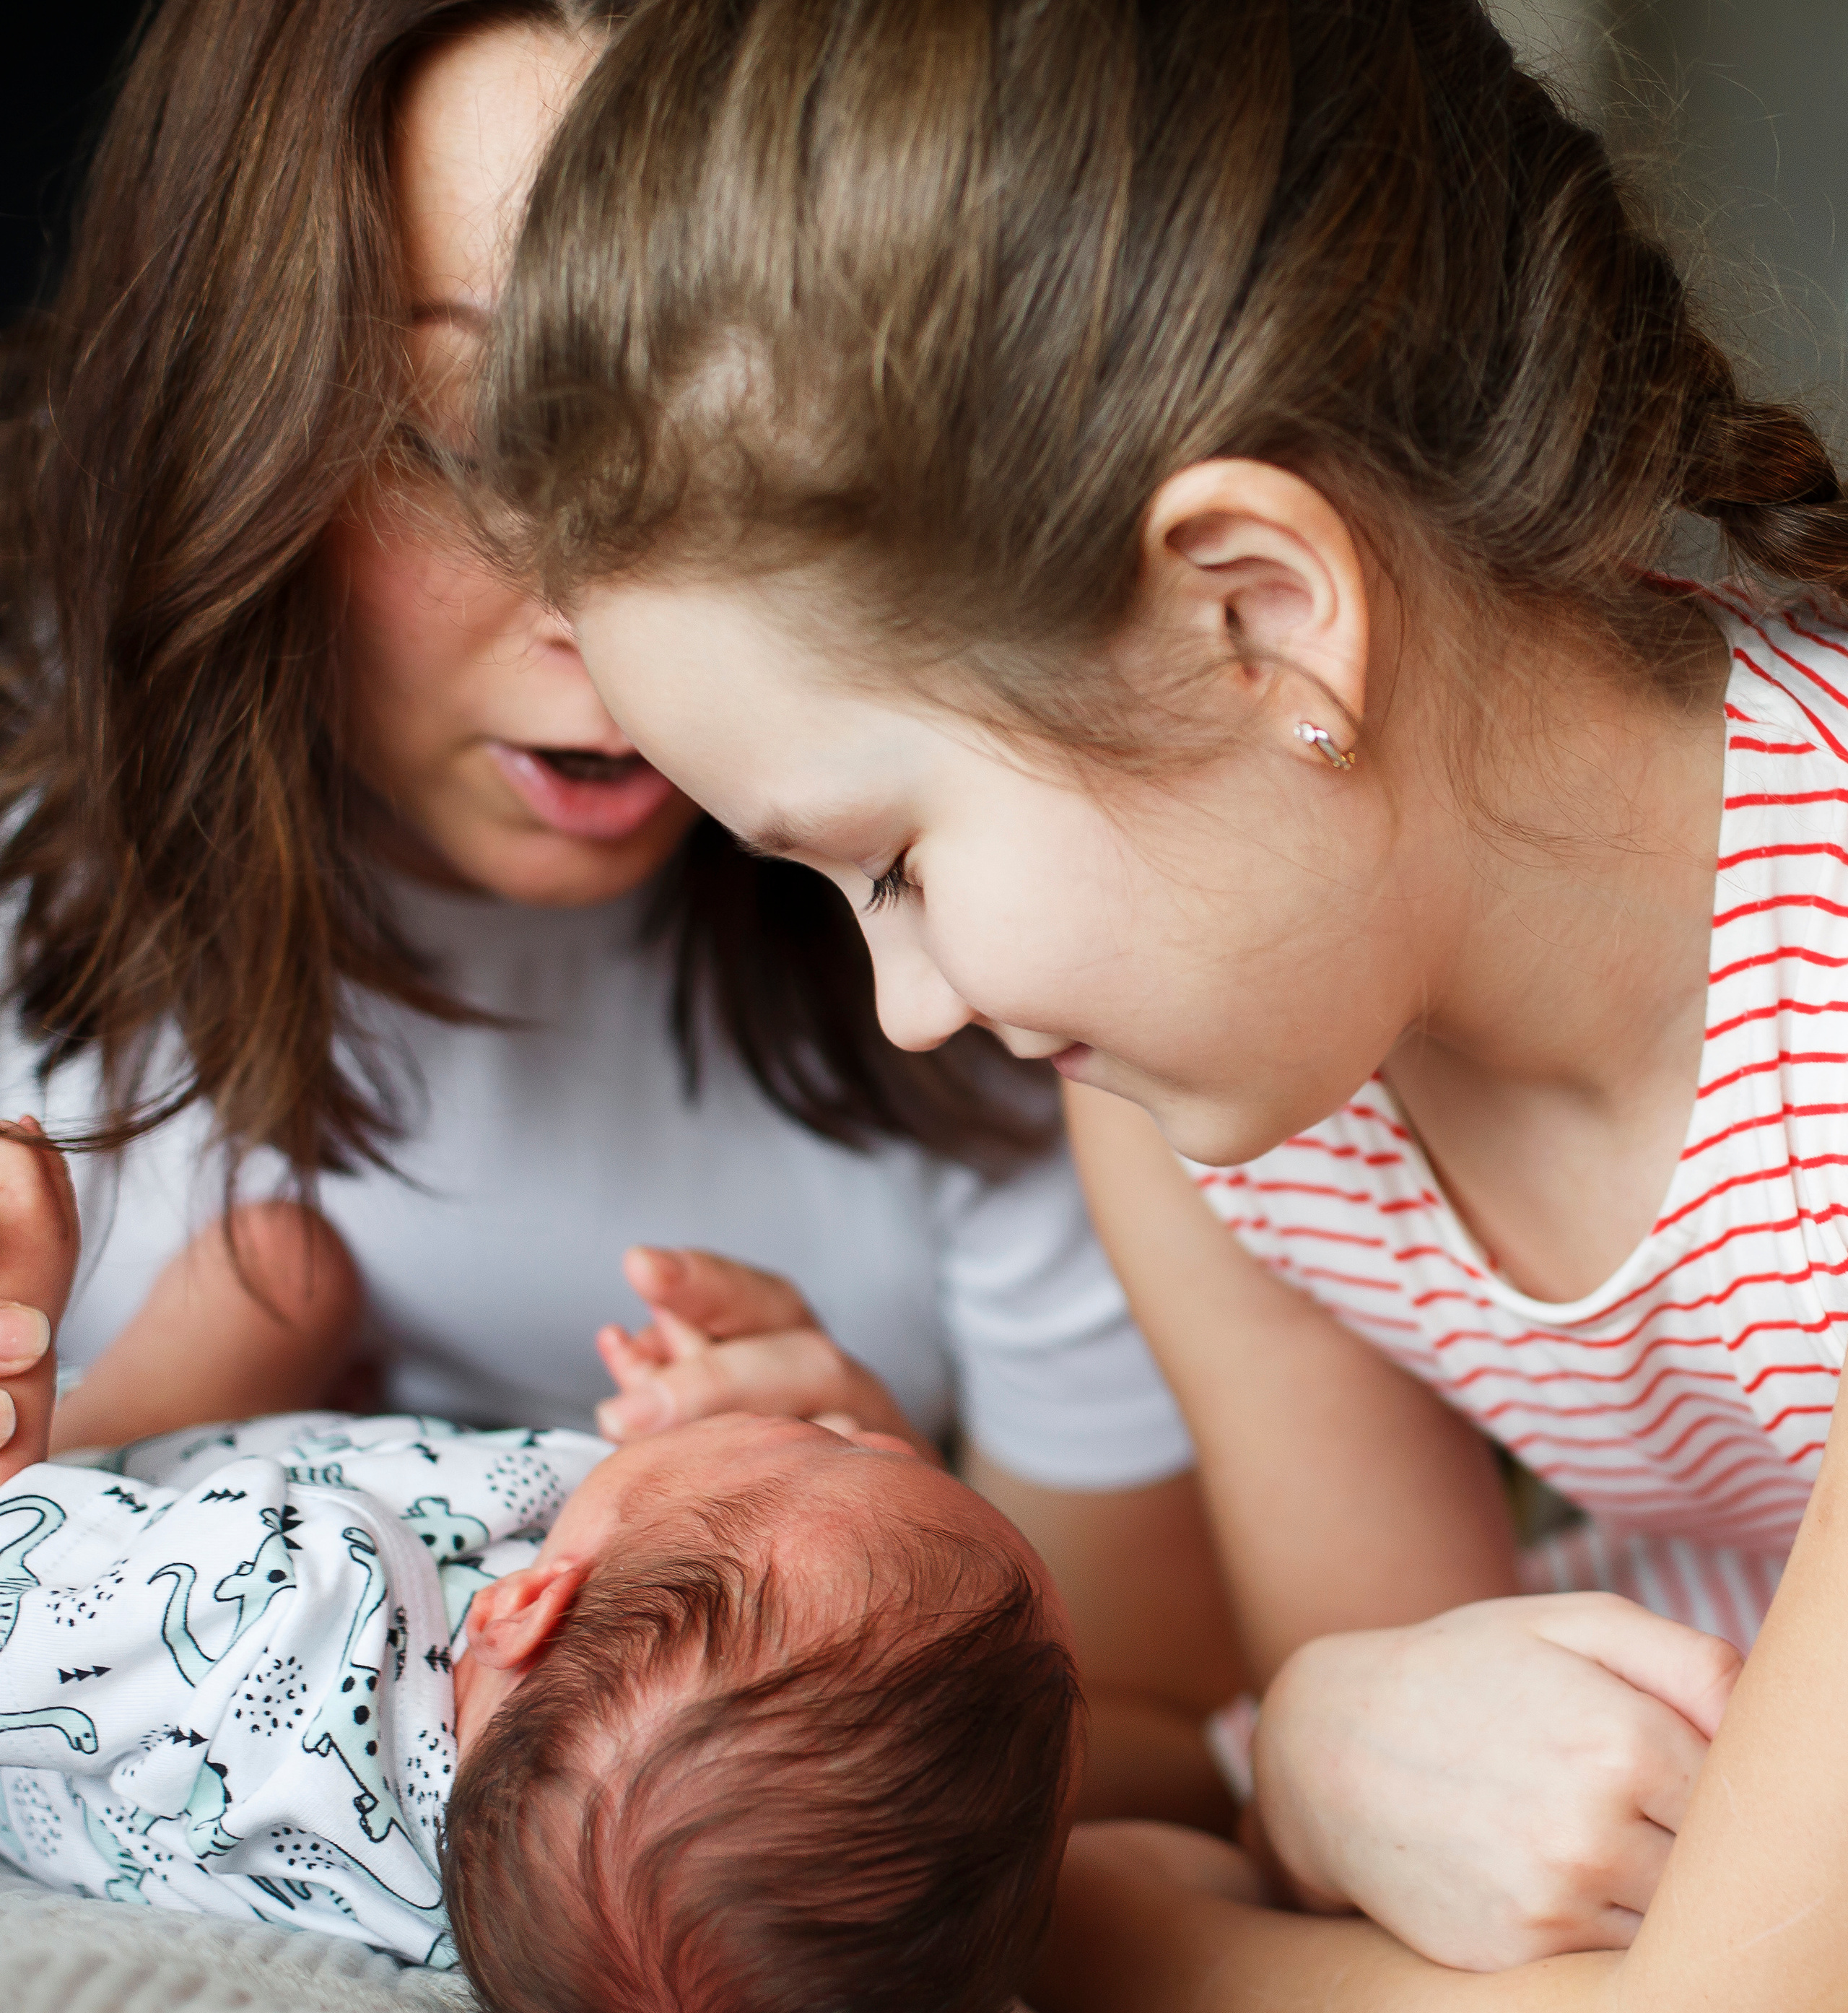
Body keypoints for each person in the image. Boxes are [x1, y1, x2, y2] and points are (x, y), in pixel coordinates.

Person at [481, 0, 1848, 2013]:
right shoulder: (1235, 1103)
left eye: (895, 861)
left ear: (1258, 617)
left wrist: (1069, 1911)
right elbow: (1390, 1805)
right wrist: (1313, 1754)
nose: (908, 1005)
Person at [0, 0, 1230, 1827]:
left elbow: (1168, 1743)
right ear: (229, 411)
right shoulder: (38, 830)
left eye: (742, 443)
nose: (617, 608)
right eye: (480, 441)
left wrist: (906, 1567)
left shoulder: (1010, 967)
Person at [0, 1128, 1081, 2013]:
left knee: (275, 1267)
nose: (884, 1439)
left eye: (820, 1444)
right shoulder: (533, 1892)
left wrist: (23, 1321)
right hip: (300, 1489)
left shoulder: (277, 1627)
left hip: (89, 1517)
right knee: (286, 1268)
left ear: (520, 1605)